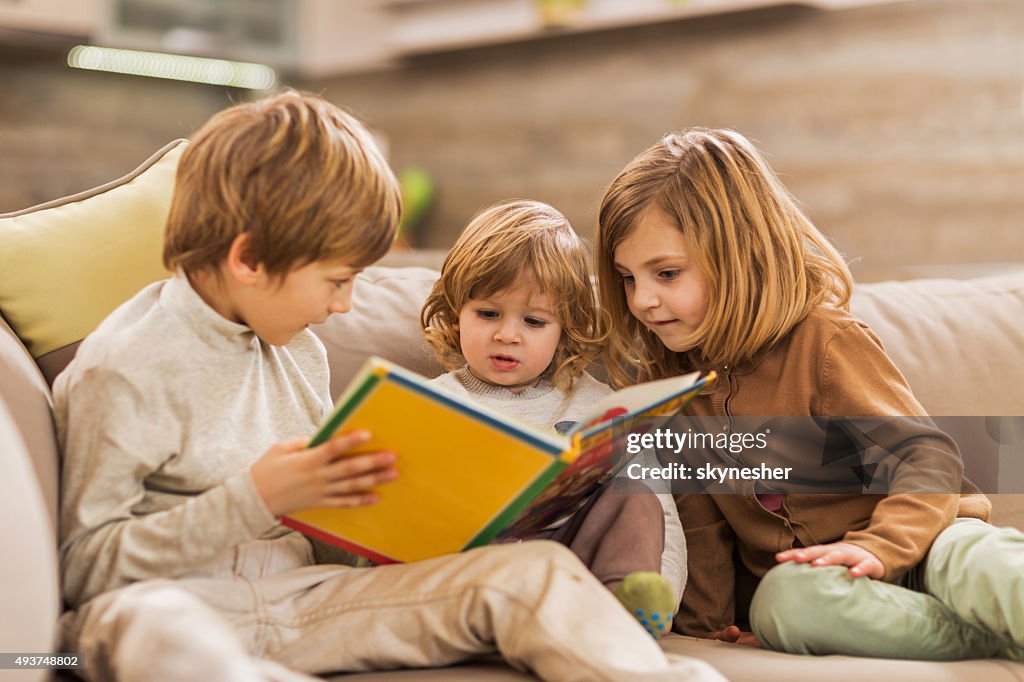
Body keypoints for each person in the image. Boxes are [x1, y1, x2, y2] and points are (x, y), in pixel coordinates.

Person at [53, 93, 728, 682]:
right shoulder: (124, 368)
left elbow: (332, 538)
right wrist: (255, 499)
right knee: (152, 628)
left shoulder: (299, 353)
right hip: (174, 606)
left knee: (534, 575)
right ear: (250, 259)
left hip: (312, 599)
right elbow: (85, 569)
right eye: (338, 280)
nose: (345, 305)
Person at [594, 127, 1024, 660]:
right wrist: (707, 628)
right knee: (785, 604)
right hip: (828, 587)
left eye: (665, 273)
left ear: (741, 254)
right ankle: (994, 638)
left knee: (985, 565)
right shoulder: (668, 393)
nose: (643, 301)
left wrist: (877, 548)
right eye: (627, 279)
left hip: (929, 543)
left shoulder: (822, 341)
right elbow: (700, 523)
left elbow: (927, 457)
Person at [421, 199, 686, 638]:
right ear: (455, 313)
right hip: (475, 571)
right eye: (487, 314)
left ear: (566, 326)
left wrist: (664, 593)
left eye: (534, 321)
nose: (507, 334)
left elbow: (663, 518)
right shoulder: (429, 403)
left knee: (636, 493)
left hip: (578, 575)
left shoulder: (598, 405)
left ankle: (627, 608)